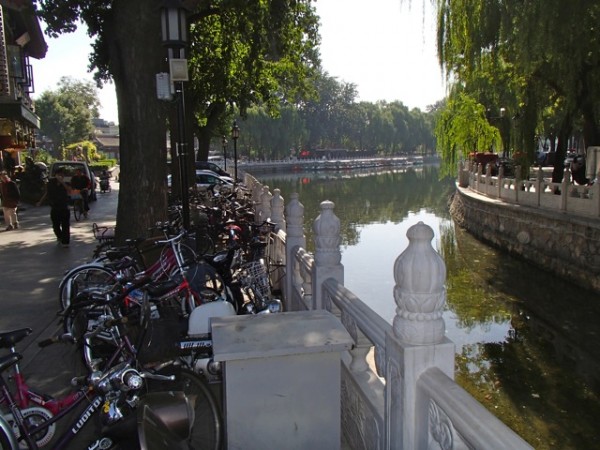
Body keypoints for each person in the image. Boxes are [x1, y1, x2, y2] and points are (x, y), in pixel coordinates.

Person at [37, 168, 72, 247]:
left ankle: (65, 242)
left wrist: (62, 182)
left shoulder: (66, 183)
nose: (60, 176)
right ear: (55, 175)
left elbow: (69, 191)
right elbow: (47, 193)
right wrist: (40, 201)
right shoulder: (51, 183)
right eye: (58, 174)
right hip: (55, 207)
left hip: (64, 207)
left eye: (62, 175)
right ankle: (59, 236)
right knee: (55, 225)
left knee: (65, 225)